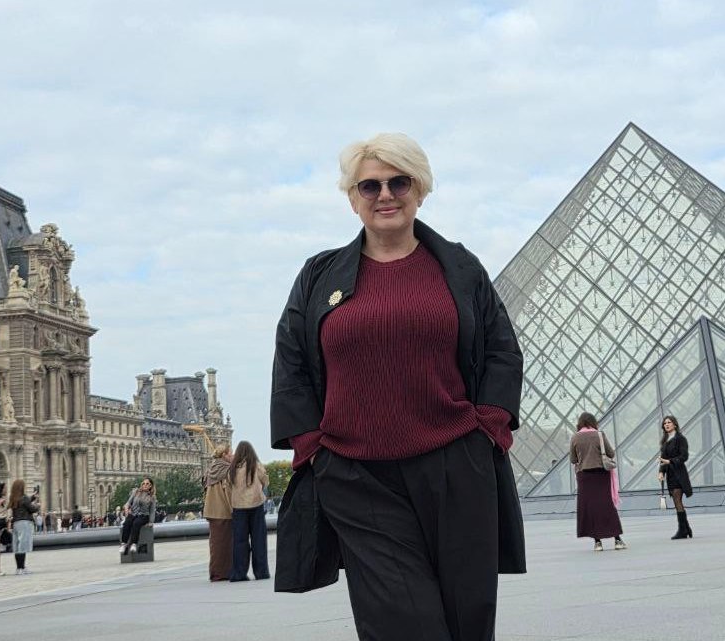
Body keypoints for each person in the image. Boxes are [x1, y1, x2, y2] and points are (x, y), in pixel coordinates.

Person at [271, 132, 525, 641]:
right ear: (352, 198)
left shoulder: (460, 267)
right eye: (370, 186)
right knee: (401, 621)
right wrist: (313, 447)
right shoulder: (318, 275)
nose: (385, 195)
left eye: (399, 182)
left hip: (455, 465)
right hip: (355, 474)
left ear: (420, 190)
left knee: (466, 620)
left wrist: (490, 427)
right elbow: (291, 362)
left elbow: (502, 349)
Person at [569, 412, 626, 552]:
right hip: (601, 474)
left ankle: (597, 543)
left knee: (591, 508)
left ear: (580, 423)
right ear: (593, 422)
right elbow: (611, 453)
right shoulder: (599, 435)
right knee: (607, 506)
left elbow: (573, 459)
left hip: (584, 477)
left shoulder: (575, 437)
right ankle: (617, 540)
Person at [228, 440, 269, 582]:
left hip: (238, 507)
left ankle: (239, 573)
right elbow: (265, 481)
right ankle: (261, 572)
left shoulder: (233, 468)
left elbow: (229, 486)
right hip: (256, 505)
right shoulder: (256, 465)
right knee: (259, 540)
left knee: (240, 542)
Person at [658, 415, 694, 539]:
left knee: (677, 500)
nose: (666, 425)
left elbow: (684, 456)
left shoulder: (680, 439)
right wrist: (661, 472)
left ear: (675, 424)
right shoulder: (665, 440)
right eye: (665, 423)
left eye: (669, 422)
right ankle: (686, 528)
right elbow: (663, 458)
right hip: (670, 475)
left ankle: (682, 530)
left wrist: (670, 461)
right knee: (676, 500)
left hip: (679, 474)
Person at [203, 444, 233, 581]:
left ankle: (215, 572)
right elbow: (228, 491)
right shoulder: (226, 470)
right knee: (225, 544)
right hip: (223, 511)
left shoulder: (211, 469)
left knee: (215, 544)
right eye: (230, 453)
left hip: (211, 510)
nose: (232, 456)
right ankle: (223, 573)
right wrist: (233, 510)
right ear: (224, 455)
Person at [8, 479, 40, 574]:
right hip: (25, 523)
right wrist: (37, 505)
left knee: (17, 546)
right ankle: (22, 568)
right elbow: (31, 508)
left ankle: (19, 568)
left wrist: (32, 498)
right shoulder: (24, 497)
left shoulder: (13, 498)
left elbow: (24, 503)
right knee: (23, 546)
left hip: (16, 523)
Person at [120, 477, 156, 554]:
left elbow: (152, 510)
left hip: (144, 515)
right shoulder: (136, 492)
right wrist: (126, 508)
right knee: (127, 523)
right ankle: (123, 543)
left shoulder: (152, 497)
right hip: (133, 513)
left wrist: (151, 521)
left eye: (147, 484)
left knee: (136, 523)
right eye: (143, 483)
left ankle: (134, 544)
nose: (145, 485)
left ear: (150, 486)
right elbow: (128, 502)